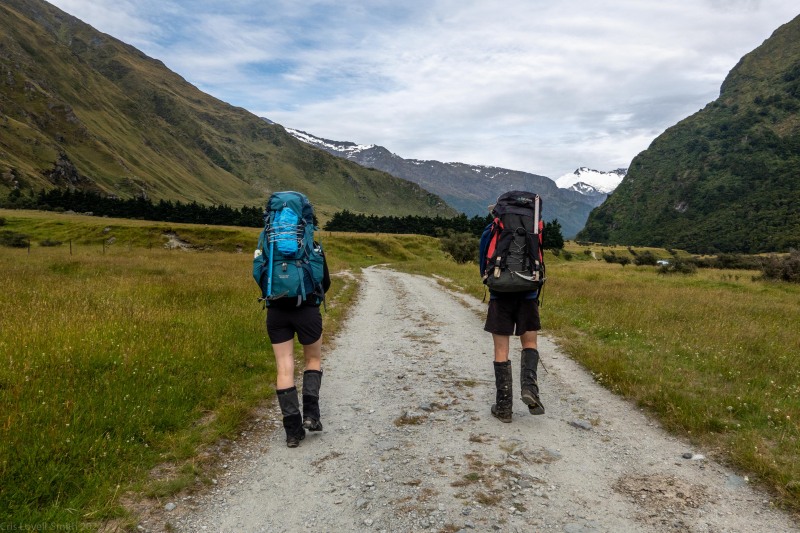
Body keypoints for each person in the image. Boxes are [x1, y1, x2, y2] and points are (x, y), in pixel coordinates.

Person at [479, 198, 545, 423]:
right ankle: (530, 389)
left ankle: (504, 407)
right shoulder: (534, 230)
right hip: (528, 295)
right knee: (529, 344)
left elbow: (483, 264)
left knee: (501, 351)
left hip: (500, 295)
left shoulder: (491, 231)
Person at [268, 248, 331, 448]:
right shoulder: (312, 246)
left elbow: (260, 277)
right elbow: (325, 281)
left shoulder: (270, 245)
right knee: (312, 360)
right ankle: (311, 417)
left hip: (276, 312)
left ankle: (293, 433)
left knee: (284, 367)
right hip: (308, 310)